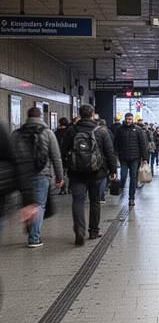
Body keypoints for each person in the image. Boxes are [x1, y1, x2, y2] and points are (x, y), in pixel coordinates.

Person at [60, 104, 117, 244]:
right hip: (96, 173)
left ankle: (79, 229)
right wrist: (113, 170)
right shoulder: (101, 131)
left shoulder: (72, 130)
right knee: (95, 202)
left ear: (80, 115)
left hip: (76, 173)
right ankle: (93, 231)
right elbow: (110, 153)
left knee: (78, 202)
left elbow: (62, 151)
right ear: (93, 115)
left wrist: (66, 167)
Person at [12, 107, 64, 248]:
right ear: (40, 116)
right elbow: (56, 156)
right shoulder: (47, 133)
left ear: (27, 117)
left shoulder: (16, 134)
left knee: (27, 203)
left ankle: (30, 226)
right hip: (42, 174)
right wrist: (60, 176)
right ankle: (34, 237)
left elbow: (10, 155)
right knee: (39, 205)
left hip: (21, 176)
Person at [114, 112, 148, 206]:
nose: (128, 121)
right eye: (127, 119)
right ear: (124, 119)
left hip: (135, 158)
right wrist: (115, 154)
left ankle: (131, 197)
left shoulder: (138, 130)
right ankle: (122, 187)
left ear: (132, 119)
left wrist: (145, 157)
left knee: (133, 178)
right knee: (123, 175)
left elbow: (142, 144)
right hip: (123, 157)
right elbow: (116, 143)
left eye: (130, 119)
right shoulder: (120, 130)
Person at [96, 119, 115, 204]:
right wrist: (112, 169)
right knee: (103, 177)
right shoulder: (108, 132)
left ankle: (96, 195)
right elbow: (110, 149)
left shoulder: (94, 132)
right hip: (104, 159)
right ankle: (101, 196)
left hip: (95, 158)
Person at [54, 117, 70, 194]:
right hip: (69, 154)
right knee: (69, 171)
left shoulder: (56, 132)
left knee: (62, 171)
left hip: (60, 153)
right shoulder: (69, 131)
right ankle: (70, 188)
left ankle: (63, 188)